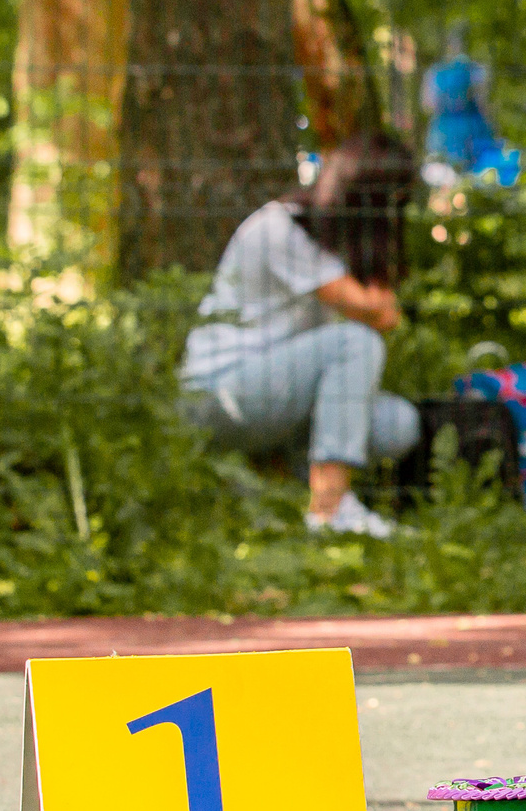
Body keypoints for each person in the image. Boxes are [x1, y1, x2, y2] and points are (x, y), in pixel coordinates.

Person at [181, 131, 422, 539]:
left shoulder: (334, 241)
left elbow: (387, 313)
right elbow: (377, 312)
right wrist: (380, 240)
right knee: (356, 343)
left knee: (399, 424)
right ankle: (330, 509)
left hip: (279, 396)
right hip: (217, 394)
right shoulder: (282, 227)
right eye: (390, 199)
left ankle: (278, 479)